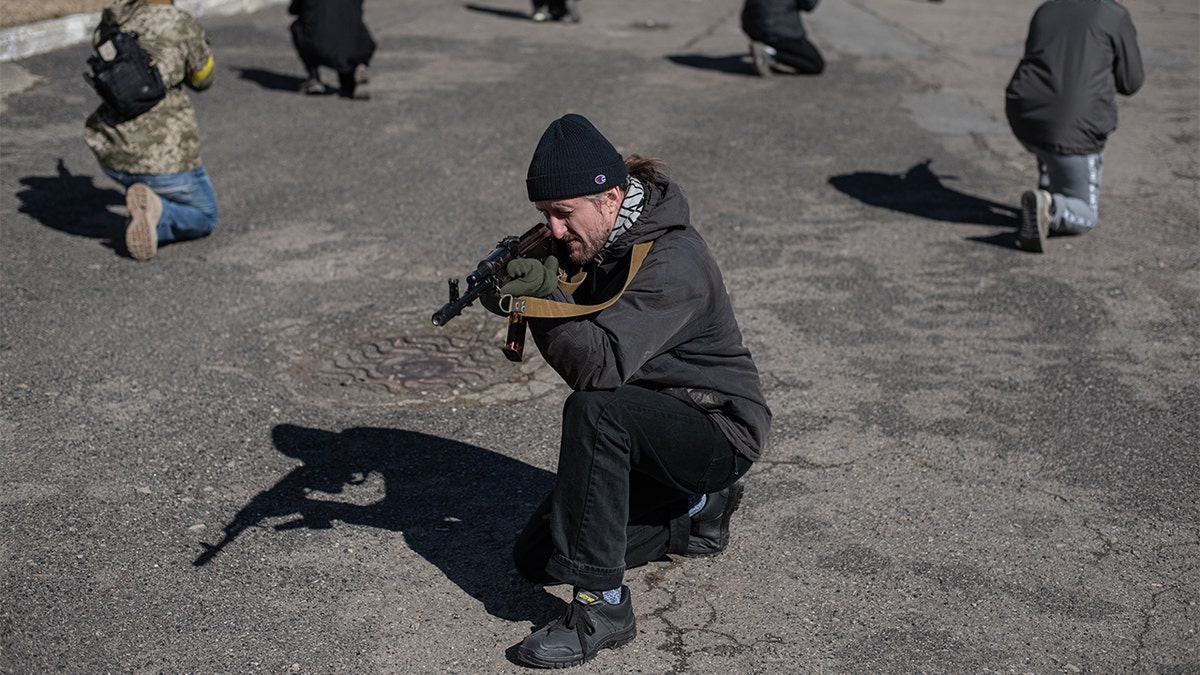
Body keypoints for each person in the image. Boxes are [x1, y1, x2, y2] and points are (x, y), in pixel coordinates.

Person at [486, 114, 771, 668]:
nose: (556, 230)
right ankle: (695, 513)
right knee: (539, 558)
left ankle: (603, 606)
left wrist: (543, 302)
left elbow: (599, 368)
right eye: (545, 216)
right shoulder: (602, 239)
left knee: (596, 411)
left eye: (563, 214)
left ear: (612, 197)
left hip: (715, 429)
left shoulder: (673, 260)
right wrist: (515, 285)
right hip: (653, 426)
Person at [84, 0, 218, 261]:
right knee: (205, 216)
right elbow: (204, 79)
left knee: (138, 173)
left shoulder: (115, 18)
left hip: (111, 149)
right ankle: (158, 214)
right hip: (164, 156)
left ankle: (144, 194)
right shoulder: (181, 24)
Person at [1005, 0, 1143, 253]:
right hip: (1073, 126)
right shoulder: (1113, 14)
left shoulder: (1046, 9)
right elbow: (1131, 82)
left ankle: (1045, 195)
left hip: (1024, 114)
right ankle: (1049, 207)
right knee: (1086, 214)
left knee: (1050, 143)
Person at [288, 0, 375, 99]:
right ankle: (356, 69)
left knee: (297, 27)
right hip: (357, 44)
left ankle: (314, 78)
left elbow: (293, 9)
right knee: (348, 21)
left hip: (318, 43)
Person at [741, 0, 824, 77]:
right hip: (776, 28)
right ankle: (769, 51)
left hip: (751, 24)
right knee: (815, 63)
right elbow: (808, 5)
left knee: (776, 39)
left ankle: (766, 46)